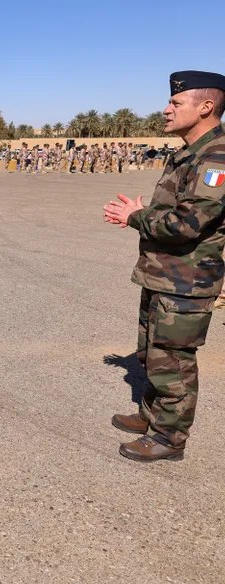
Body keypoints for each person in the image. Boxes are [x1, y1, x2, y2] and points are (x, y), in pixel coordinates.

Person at [103, 70, 225, 462]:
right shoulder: (189, 152)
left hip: (187, 281)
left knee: (172, 361)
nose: (166, 109)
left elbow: (187, 224)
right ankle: (153, 417)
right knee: (151, 354)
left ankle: (170, 439)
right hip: (164, 275)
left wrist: (135, 217)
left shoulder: (216, 157)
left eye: (176, 103)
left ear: (206, 106)